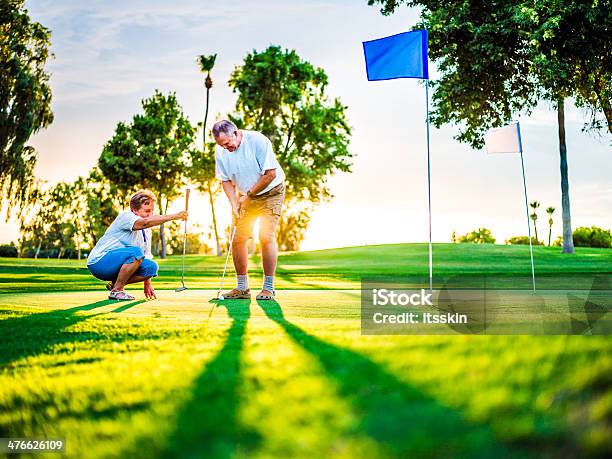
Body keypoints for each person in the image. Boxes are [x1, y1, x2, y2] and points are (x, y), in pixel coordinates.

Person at [213, 119, 286, 300]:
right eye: (222, 145)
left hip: (271, 192)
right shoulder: (221, 151)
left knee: (265, 236)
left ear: (235, 133)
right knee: (237, 239)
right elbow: (225, 180)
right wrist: (234, 204)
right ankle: (242, 288)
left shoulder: (257, 141)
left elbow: (270, 174)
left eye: (228, 143)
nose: (226, 148)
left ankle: (268, 288)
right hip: (246, 196)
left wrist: (249, 197)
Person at [87, 189, 188, 301]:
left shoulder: (147, 231)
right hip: (99, 263)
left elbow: (146, 255)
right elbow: (145, 222)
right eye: (147, 211)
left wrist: (147, 284)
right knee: (135, 252)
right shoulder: (125, 217)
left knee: (151, 267)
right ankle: (117, 291)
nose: (150, 215)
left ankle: (115, 284)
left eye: (152, 211)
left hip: (117, 265)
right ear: (134, 210)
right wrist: (175, 216)